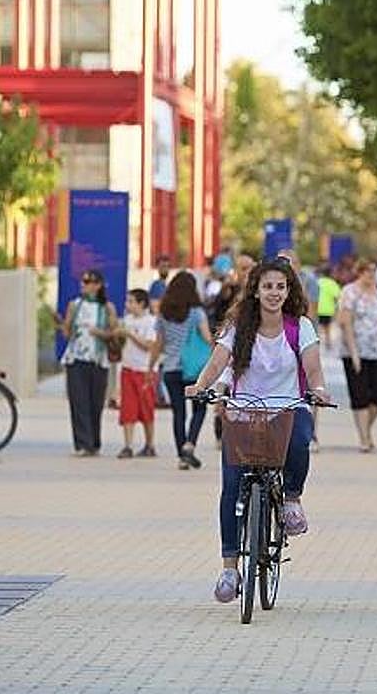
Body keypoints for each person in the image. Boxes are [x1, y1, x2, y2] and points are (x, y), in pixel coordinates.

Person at [184, 256, 331, 603]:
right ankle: (230, 569)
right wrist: (201, 384)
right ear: (256, 290)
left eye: (280, 286)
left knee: (300, 439)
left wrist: (319, 389)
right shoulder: (240, 326)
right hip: (242, 413)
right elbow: (218, 360)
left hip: (287, 409)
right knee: (232, 486)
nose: (274, 293)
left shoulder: (300, 327)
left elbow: (313, 369)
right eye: (267, 286)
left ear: (289, 290)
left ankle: (291, 498)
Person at [149, 271, 213, 470]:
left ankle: (181, 456)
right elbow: (206, 337)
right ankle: (190, 444)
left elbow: (159, 344)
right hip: (193, 370)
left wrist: (150, 366)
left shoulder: (163, 314)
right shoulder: (196, 313)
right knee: (199, 409)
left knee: (178, 412)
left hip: (171, 369)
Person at [338, 257, 377, 452]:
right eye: (367, 271)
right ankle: (365, 437)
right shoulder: (350, 292)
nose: (371, 275)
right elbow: (345, 322)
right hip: (355, 352)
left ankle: (366, 429)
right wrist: (354, 352)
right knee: (360, 395)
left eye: (374, 271)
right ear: (359, 272)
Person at [56, 269, 119, 457]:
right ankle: (83, 443)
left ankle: (94, 442)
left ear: (98, 285)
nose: (83, 285)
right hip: (76, 357)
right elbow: (67, 331)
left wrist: (100, 333)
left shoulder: (107, 307)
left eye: (88, 281)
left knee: (95, 402)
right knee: (78, 400)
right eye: (83, 281)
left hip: (98, 358)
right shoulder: (74, 305)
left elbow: (114, 331)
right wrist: (62, 326)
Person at [117, 288, 158, 458]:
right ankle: (128, 445)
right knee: (128, 407)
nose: (128, 305)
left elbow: (149, 345)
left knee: (146, 408)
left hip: (145, 371)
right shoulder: (126, 320)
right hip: (128, 368)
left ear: (141, 304)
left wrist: (130, 335)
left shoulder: (151, 322)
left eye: (131, 302)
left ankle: (150, 444)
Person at [315, 265, 342, 348]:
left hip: (317, 308)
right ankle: (328, 342)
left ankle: (316, 343)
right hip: (328, 310)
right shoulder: (332, 283)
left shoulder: (317, 282)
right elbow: (338, 296)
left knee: (317, 327)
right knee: (327, 328)